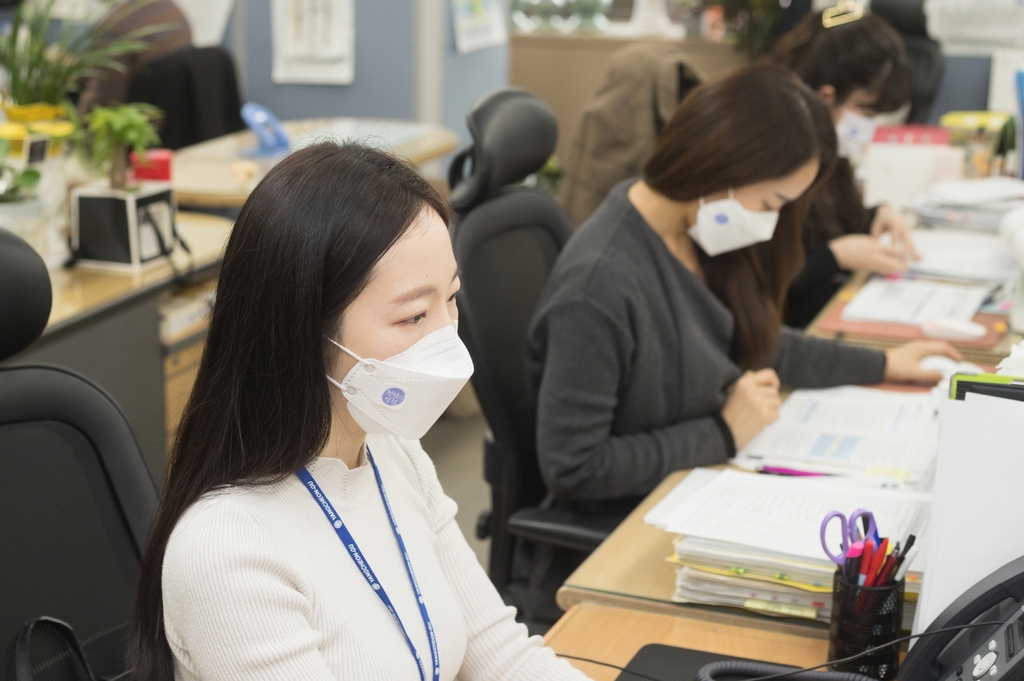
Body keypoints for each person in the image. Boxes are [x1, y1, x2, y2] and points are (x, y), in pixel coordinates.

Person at [128, 143, 590, 681]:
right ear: (303, 329)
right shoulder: (228, 549)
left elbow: (499, 653)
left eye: (453, 298)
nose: (447, 339)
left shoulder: (395, 453)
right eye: (413, 315)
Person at [525, 65, 959, 505]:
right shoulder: (598, 287)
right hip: (632, 516)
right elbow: (575, 468)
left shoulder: (700, 229)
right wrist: (723, 431)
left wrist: (883, 365)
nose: (770, 225)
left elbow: (761, 343)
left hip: (693, 483)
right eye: (772, 203)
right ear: (720, 166)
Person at [769, 11, 918, 327]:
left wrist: (875, 215)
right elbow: (760, 285)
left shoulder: (830, 153)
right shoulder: (775, 161)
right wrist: (833, 257)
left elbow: (831, 221)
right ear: (826, 97)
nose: (870, 126)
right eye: (866, 111)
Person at [77, 0, 193, 113]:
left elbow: (102, 103)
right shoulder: (167, 6)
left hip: (143, 118)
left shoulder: (115, 26)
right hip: (181, 112)